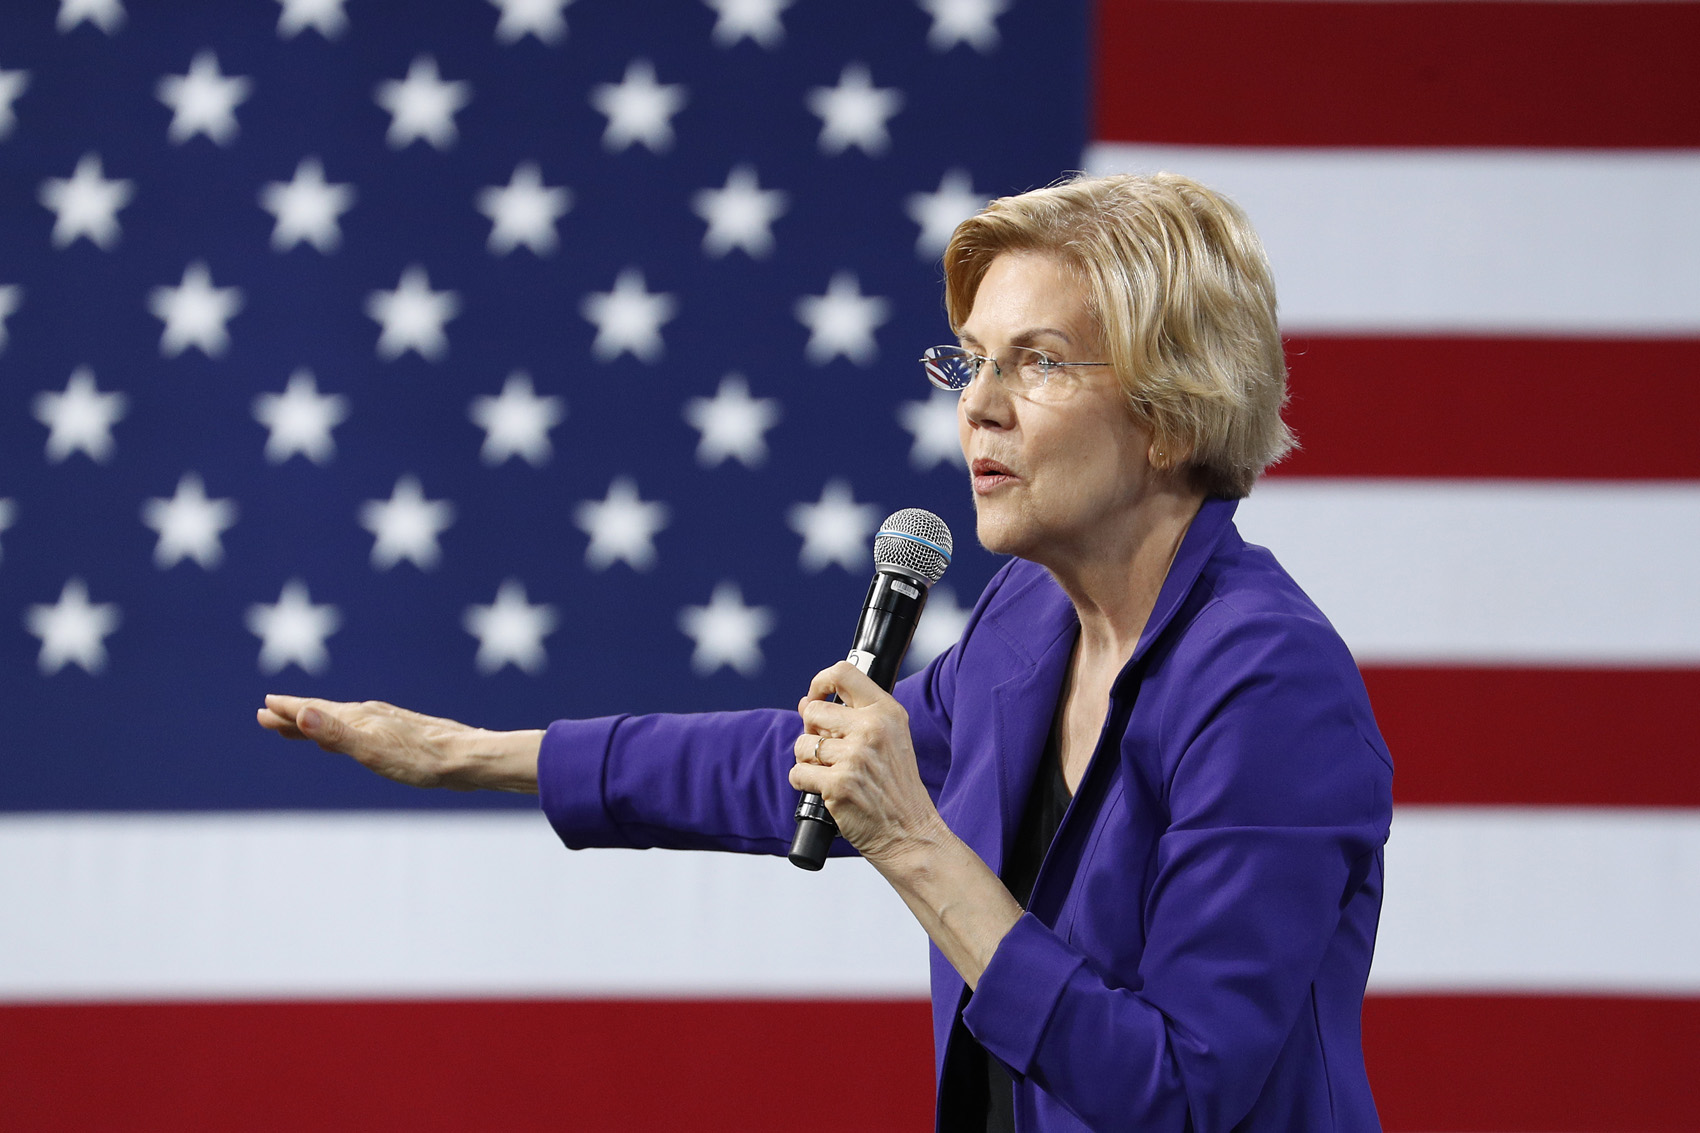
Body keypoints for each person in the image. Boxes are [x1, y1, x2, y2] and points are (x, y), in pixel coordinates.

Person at [259, 172, 1393, 1131]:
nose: (977, 408)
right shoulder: (1026, 620)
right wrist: (476, 754)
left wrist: (911, 841)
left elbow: (1180, 1090)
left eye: (1036, 361)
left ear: (1172, 413)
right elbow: (801, 761)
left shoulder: (1265, 685)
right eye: (968, 360)